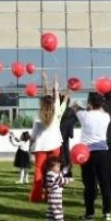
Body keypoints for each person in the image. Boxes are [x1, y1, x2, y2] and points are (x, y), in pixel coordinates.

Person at [74, 92, 111, 221]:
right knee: (105, 184)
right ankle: (107, 212)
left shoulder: (83, 115)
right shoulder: (106, 116)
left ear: (89, 103)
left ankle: (90, 213)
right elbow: (101, 109)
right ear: (101, 104)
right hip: (103, 153)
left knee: (89, 185)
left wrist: (87, 107)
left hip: (87, 154)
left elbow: (74, 106)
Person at [30, 73, 69, 203]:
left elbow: (34, 136)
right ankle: (50, 195)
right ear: (53, 104)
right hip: (55, 146)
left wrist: (45, 81)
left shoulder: (38, 116)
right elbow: (56, 97)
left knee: (39, 172)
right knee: (53, 172)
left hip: (40, 147)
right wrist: (55, 86)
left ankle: (36, 197)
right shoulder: (57, 110)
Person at [44, 155, 73, 221]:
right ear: (51, 167)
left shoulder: (54, 173)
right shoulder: (50, 174)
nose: (59, 168)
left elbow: (61, 173)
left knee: (51, 210)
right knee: (57, 209)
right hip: (55, 196)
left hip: (55, 196)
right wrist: (69, 180)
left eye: (59, 166)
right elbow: (60, 180)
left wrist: (68, 168)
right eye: (57, 166)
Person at [59, 95, 78, 177]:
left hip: (59, 133)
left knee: (61, 153)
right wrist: (70, 125)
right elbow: (76, 119)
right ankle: (68, 171)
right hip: (67, 133)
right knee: (66, 152)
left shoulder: (60, 109)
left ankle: (62, 170)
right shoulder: (71, 110)